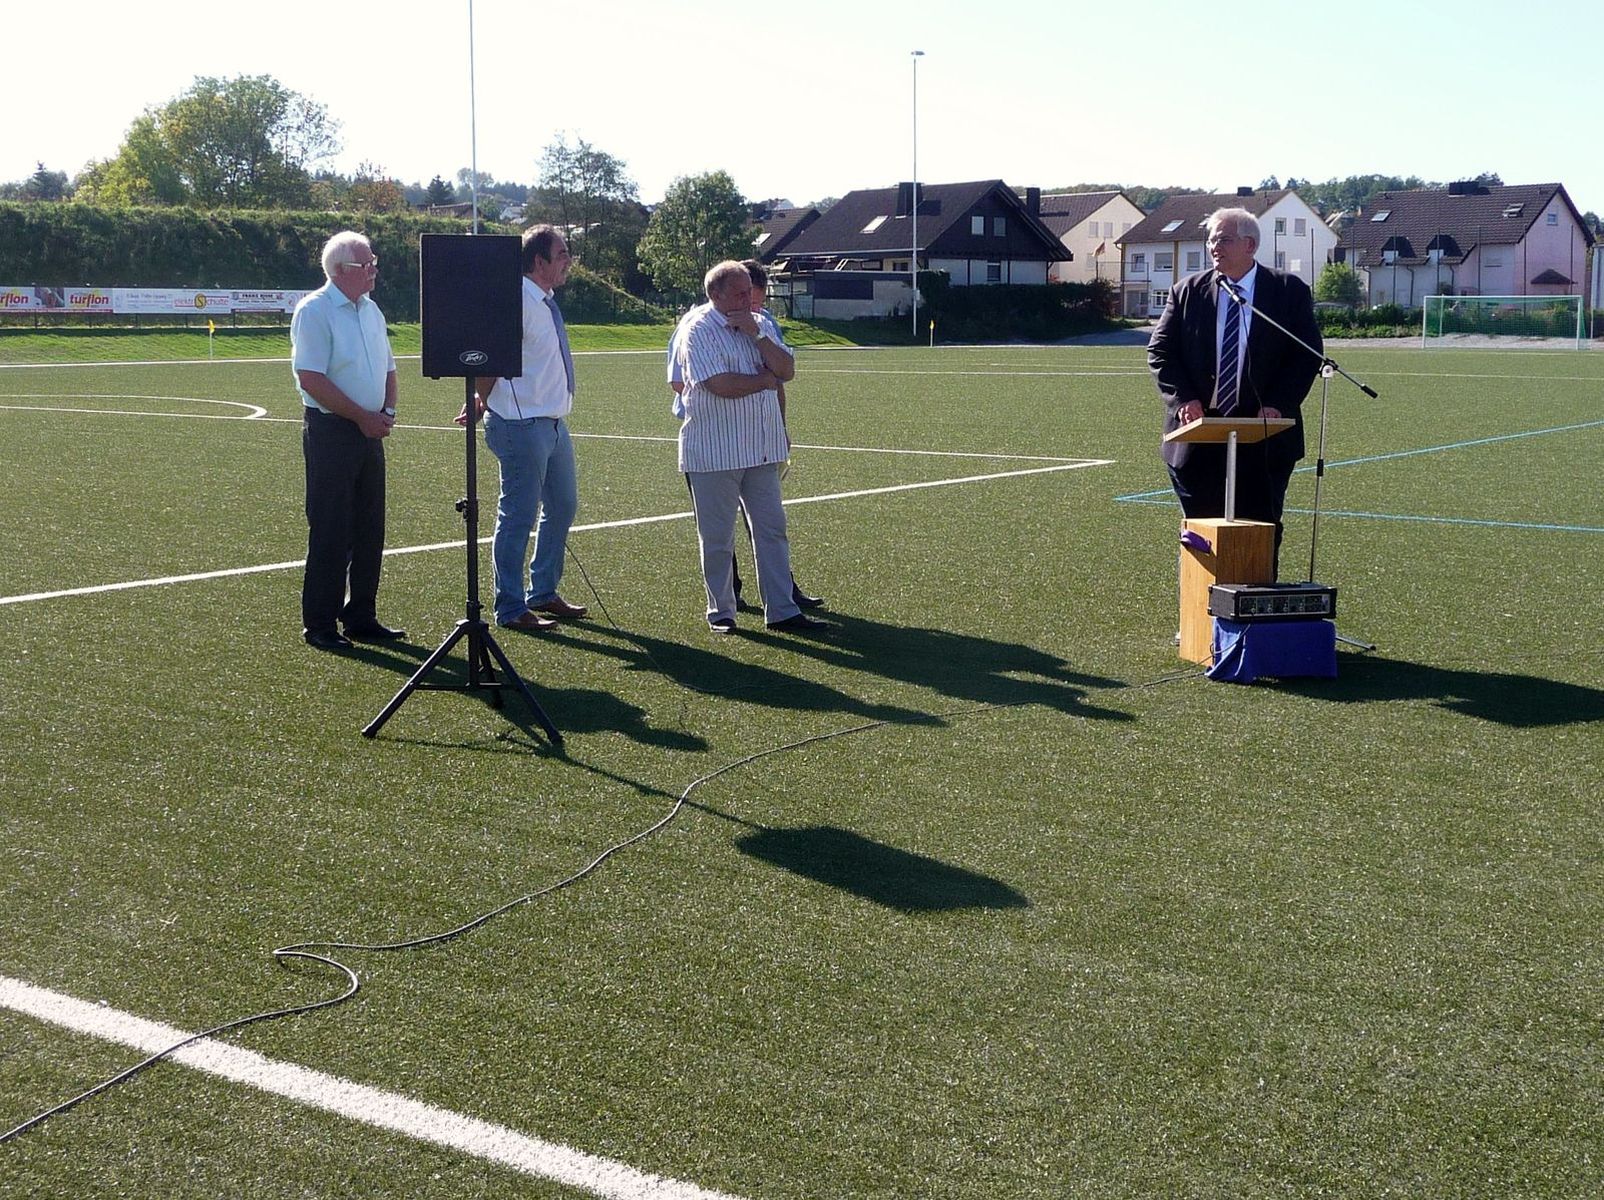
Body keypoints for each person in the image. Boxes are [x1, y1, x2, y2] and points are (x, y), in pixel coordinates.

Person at [1148, 206, 1322, 575]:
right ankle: (1203, 610)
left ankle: (1254, 607)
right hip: (1197, 439)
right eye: (1211, 240)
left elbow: (1305, 355)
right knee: (1201, 536)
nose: (1215, 247)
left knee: (1260, 531)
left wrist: (1277, 404)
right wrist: (1183, 399)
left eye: (1224, 240)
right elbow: (1160, 352)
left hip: (1263, 437)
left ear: (1250, 245)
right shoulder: (1187, 291)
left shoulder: (1287, 291)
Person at [676, 260, 827, 635]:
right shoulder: (697, 329)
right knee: (718, 538)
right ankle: (721, 612)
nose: (748, 300)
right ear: (716, 295)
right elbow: (720, 384)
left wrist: (758, 337)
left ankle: (782, 611)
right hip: (715, 451)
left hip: (762, 448)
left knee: (772, 530)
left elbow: (786, 370)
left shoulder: (760, 325)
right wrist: (763, 380)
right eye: (740, 293)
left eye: (750, 293)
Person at [456, 225, 587, 632]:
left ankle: (542, 591)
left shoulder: (544, 301)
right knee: (518, 516)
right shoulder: (516, 301)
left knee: (562, 505)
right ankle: (510, 606)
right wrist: (483, 399)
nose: (568, 261)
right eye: (561, 254)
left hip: (552, 423)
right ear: (538, 261)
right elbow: (490, 361)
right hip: (520, 424)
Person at [291, 230, 405, 650]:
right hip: (332, 432)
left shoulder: (371, 310)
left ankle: (361, 616)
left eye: (374, 262)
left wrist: (386, 412)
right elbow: (310, 377)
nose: (374, 270)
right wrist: (362, 417)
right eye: (366, 264)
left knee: (370, 527)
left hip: (369, 431)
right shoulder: (315, 311)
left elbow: (389, 369)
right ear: (340, 270)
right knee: (331, 528)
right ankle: (320, 624)